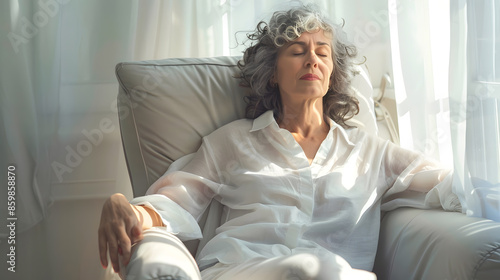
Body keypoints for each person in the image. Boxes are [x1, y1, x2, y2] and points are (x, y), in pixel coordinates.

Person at [98, 5, 461, 280]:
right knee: (311, 267)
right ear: (273, 72)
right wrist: (124, 206)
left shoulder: (370, 151)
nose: (313, 59)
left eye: (322, 51)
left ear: (332, 72)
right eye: (297, 50)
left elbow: (448, 185)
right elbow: (175, 201)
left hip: (331, 275)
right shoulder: (234, 140)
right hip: (239, 269)